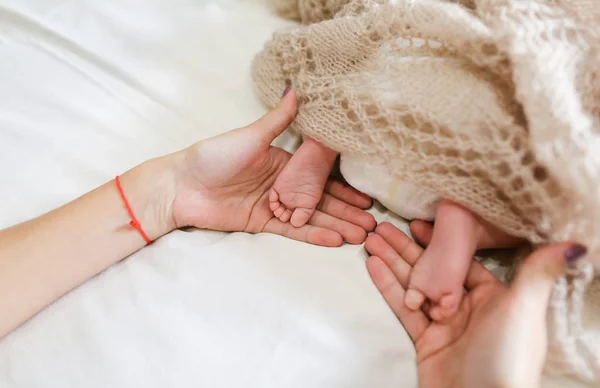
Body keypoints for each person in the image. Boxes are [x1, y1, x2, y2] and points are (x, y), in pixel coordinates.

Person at [0, 89, 587, 387]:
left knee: (364, 82)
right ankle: (463, 218)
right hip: (457, 145)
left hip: (376, 140)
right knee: (527, 156)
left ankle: (321, 142)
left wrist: (166, 191)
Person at [267, 97, 513, 322]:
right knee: (529, 217)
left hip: (368, 142)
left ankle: (321, 143)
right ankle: (464, 223)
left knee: (352, 90)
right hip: (454, 178)